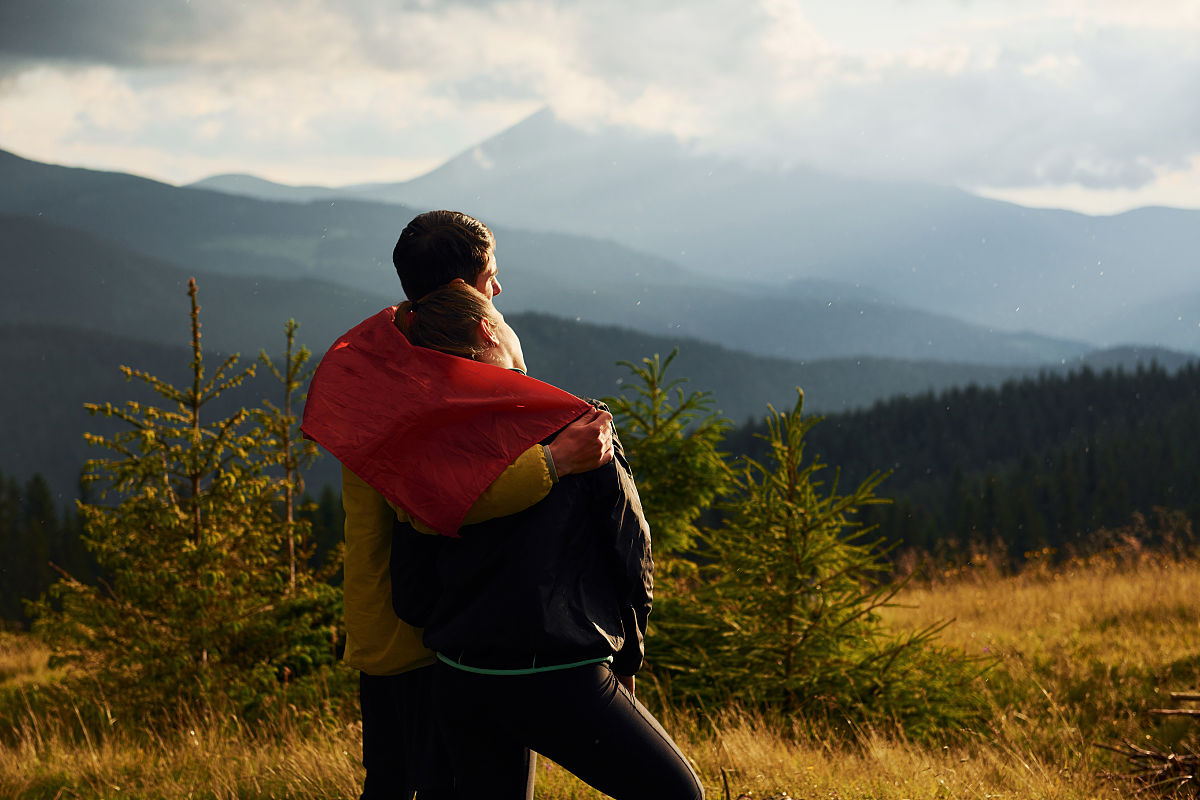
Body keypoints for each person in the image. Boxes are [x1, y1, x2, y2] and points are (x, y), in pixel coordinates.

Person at [302, 210, 615, 799]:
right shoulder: (418, 382)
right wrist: (557, 461)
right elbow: (438, 499)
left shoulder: (385, 352)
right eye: (489, 276)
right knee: (417, 787)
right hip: (413, 637)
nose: (498, 290)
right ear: (459, 291)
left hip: (401, 625)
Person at [391, 281, 705, 800]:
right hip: (559, 674)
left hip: (461, 677)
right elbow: (630, 550)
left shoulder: (424, 443)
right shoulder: (580, 425)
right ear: (488, 329)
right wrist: (627, 656)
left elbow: (411, 586)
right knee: (676, 794)